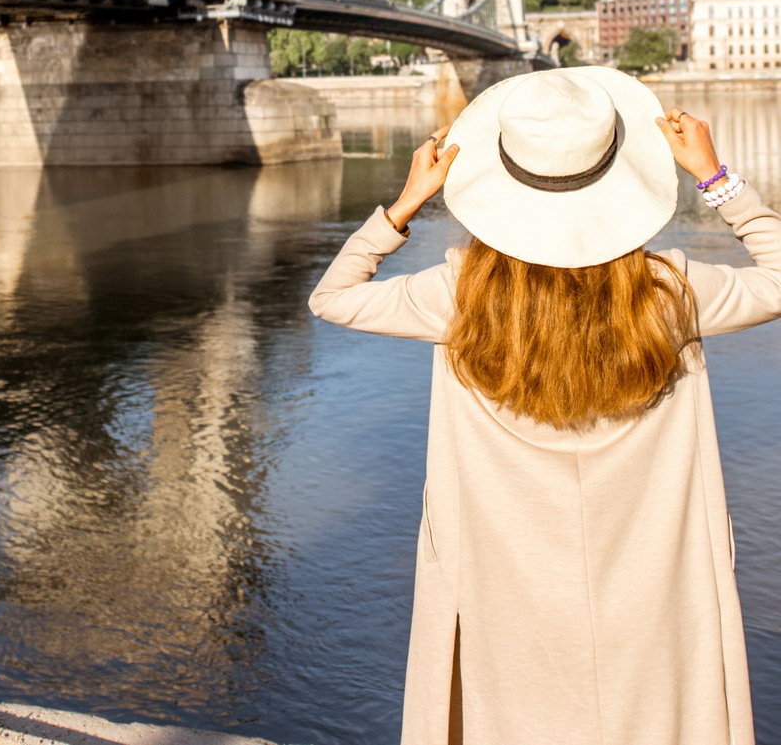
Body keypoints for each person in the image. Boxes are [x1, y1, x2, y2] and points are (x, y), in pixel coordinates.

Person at [308, 66, 781, 745]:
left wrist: (407, 201)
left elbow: (334, 296)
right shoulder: (672, 293)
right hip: (650, 592)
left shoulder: (460, 297)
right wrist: (718, 179)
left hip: (509, 597)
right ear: (619, 174)